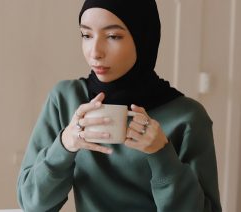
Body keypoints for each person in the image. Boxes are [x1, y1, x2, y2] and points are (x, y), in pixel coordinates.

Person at [17, 0, 222, 211]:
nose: (95, 52)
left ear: (143, 38)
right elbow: (32, 204)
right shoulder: (66, 99)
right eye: (86, 35)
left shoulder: (187, 116)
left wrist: (162, 154)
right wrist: (65, 144)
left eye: (113, 36)